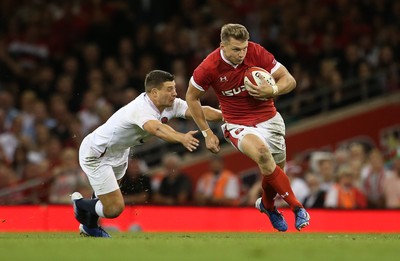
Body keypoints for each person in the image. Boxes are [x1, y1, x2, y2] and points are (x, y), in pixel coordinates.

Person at [186, 23, 310, 232]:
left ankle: (268, 206)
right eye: (236, 49)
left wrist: (273, 89)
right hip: (237, 124)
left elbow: (289, 80)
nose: (241, 53)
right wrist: (207, 133)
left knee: (275, 172)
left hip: (270, 120)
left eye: (243, 48)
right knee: (263, 155)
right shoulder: (209, 66)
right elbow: (191, 97)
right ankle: (297, 208)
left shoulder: (256, 52)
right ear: (222, 46)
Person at [71, 70, 222, 237]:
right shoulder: (140, 109)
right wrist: (181, 138)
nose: (175, 93)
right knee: (114, 208)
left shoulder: (171, 105)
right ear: (155, 93)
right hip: (97, 153)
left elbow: (200, 110)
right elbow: (156, 128)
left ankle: (89, 229)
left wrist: (227, 116)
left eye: (174, 88)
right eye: (170, 89)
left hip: (120, 153)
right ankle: (80, 204)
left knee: (103, 199)